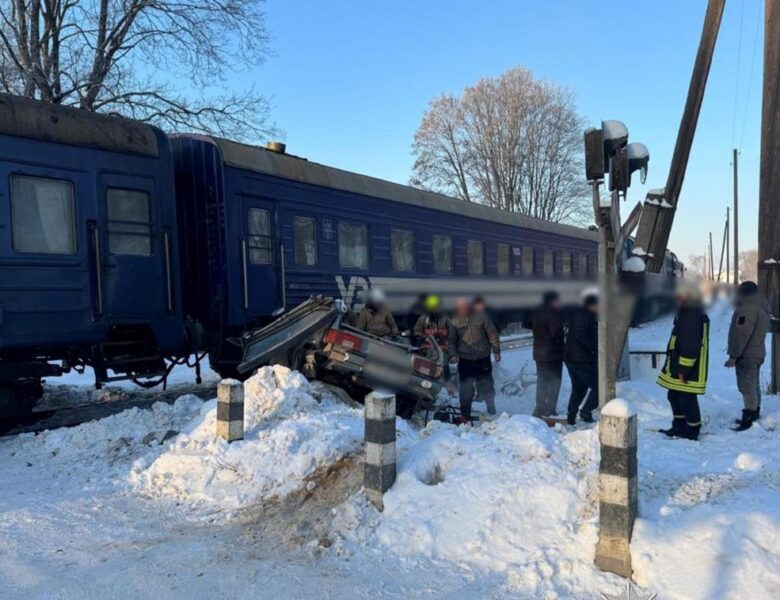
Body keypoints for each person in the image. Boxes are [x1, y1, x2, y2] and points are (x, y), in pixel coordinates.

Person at [657, 282, 709, 441]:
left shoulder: (691, 315)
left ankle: (692, 429)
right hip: (678, 364)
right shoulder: (687, 312)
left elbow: (690, 345)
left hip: (686, 367)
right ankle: (679, 425)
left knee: (686, 398)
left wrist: (683, 370)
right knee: (674, 395)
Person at [726, 281, 770, 432]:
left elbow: (741, 334)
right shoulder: (760, 307)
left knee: (747, 386)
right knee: (754, 384)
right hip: (757, 352)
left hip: (747, 355)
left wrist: (733, 356)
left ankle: (748, 417)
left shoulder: (747, 309)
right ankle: (755, 412)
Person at [448, 297, 501, 422]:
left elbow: (492, 333)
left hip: (482, 357)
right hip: (465, 360)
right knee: (466, 389)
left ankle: (491, 408)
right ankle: (465, 414)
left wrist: (497, 351)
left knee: (486, 385)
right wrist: (453, 354)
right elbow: (452, 340)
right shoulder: (454, 321)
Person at [565, 292, 599, 425]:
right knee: (598, 386)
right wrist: (594, 347)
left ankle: (571, 416)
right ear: (591, 305)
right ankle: (586, 411)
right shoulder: (584, 315)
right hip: (580, 358)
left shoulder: (580, 313)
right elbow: (581, 334)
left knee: (579, 387)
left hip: (573, 357)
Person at [531, 291, 565, 418]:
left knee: (542, 381)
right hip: (553, 353)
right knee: (555, 381)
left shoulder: (537, 311)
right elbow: (555, 332)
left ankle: (540, 407)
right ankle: (550, 408)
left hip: (540, 353)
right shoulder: (553, 313)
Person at [413, 294, 453, 392]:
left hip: (442, 347)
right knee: (427, 364)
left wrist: (447, 339)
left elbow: (452, 333)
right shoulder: (424, 318)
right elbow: (416, 330)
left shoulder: (446, 319)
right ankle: (425, 383)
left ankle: (448, 386)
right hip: (427, 347)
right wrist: (421, 336)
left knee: (444, 363)